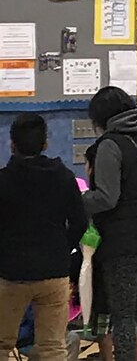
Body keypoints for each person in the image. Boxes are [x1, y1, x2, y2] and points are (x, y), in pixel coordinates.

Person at [82, 86, 137, 361]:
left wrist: (78, 199)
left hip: (123, 243)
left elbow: (107, 198)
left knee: (123, 315)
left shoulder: (111, 144)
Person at [0, 112, 88, 361]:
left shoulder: (3, 181)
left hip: (11, 273)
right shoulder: (64, 177)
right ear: (46, 143)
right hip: (54, 272)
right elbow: (80, 223)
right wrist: (62, 249)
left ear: (12, 145)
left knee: (2, 343)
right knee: (53, 346)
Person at [83, 145, 137, 361]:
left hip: (103, 267)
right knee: (130, 319)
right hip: (130, 261)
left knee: (104, 323)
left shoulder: (92, 201)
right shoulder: (126, 196)